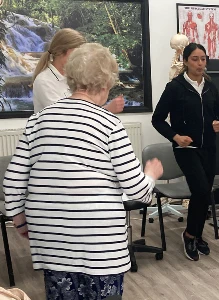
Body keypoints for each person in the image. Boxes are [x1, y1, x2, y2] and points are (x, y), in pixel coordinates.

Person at [3, 43, 163, 300]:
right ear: (105, 84)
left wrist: (20, 220)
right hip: (99, 247)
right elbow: (137, 191)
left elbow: (12, 182)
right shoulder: (110, 124)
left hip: (52, 244)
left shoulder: (38, 121)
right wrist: (151, 174)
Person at [152, 43, 219, 261]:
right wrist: (175, 137)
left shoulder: (211, 87)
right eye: (195, 59)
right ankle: (190, 234)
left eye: (203, 59)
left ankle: (198, 234)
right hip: (187, 149)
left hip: (209, 148)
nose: (200, 63)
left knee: (205, 191)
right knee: (201, 190)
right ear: (185, 61)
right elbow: (157, 119)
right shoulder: (175, 87)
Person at [32, 28, 124, 114]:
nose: (82, 56)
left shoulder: (75, 77)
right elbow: (65, 118)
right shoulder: (44, 81)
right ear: (65, 51)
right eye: (79, 52)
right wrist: (107, 109)